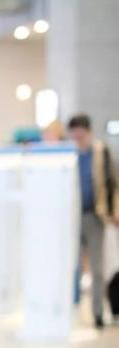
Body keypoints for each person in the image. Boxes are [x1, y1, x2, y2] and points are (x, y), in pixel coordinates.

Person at [68, 113, 119, 328]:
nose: (77, 136)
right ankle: (71, 310)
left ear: (87, 131)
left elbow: (113, 182)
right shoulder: (68, 154)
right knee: (72, 265)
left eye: (80, 131)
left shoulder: (100, 151)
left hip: (95, 215)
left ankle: (97, 313)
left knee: (98, 267)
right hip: (71, 217)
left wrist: (114, 211)